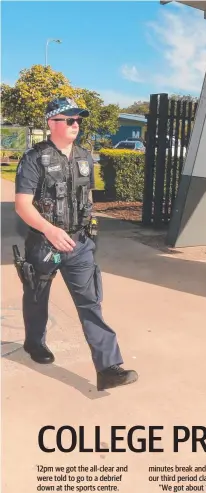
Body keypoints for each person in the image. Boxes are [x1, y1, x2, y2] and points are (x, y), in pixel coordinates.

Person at [14, 97, 138, 391]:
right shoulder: (34, 158)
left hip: (79, 244)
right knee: (36, 297)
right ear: (51, 123)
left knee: (91, 304)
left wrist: (89, 227)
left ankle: (108, 367)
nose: (75, 125)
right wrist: (49, 230)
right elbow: (22, 205)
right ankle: (34, 343)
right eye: (68, 120)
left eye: (78, 120)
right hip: (44, 243)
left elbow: (86, 198)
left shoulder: (84, 156)